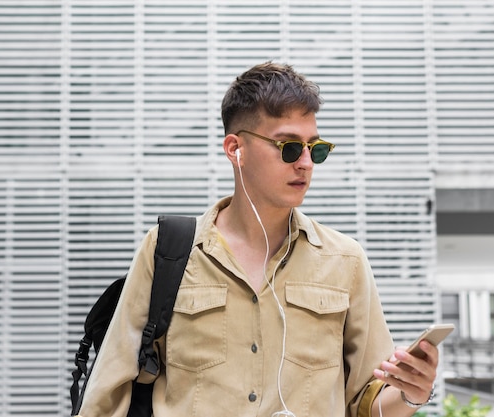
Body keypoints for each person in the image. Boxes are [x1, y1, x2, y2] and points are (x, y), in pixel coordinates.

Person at [76, 61, 439, 417]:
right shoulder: (168, 251)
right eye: (289, 147)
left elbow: (366, 404)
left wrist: (410, 395)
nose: (306, 164)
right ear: (236, 149)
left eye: (316, 149)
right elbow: (108, 394)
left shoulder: (345, 260)